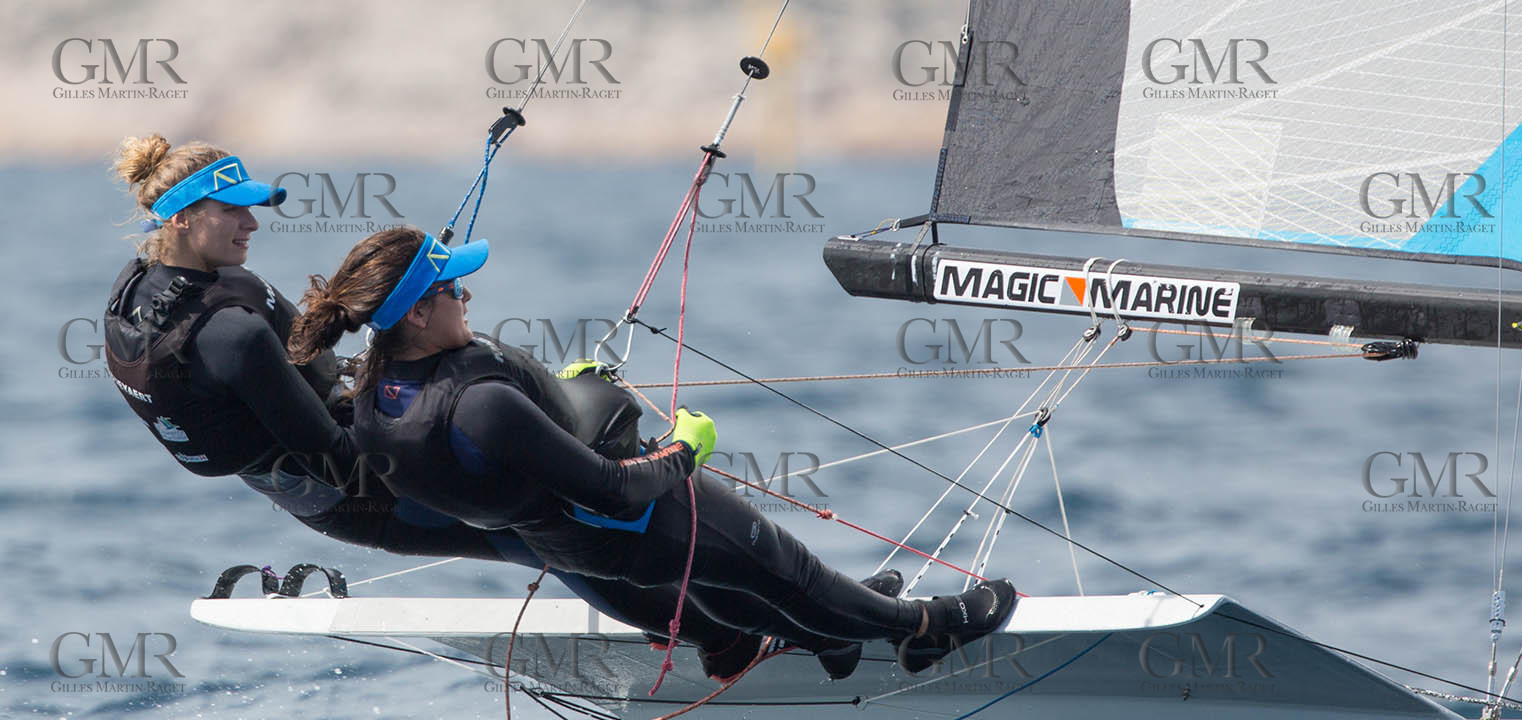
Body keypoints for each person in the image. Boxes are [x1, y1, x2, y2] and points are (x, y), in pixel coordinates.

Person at [102, 134, 757, 670]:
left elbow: (303, 361)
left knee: (553, 479)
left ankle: (716, 599)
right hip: (364, 491)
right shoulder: (229, 332)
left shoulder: (147, 293)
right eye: (231, 209)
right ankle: (724, 639)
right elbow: (336, 460)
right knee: (549, 532)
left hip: (341, 459)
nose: (251, 221)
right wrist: (433, 418)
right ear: (182, 218)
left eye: (251, 205)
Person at [286, 225, 1018, 677]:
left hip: (578, 547)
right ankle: (928, 630)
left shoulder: (375, 396)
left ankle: (831, 641)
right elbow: (611, 487)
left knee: (747, 591)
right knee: (792, 574)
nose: (468, 298)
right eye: (455, 290)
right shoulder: (478, 405)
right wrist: (684, 450)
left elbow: (494, 456)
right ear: (418, 311)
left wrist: (552, 398)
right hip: (635, 520)